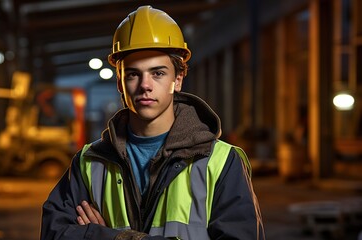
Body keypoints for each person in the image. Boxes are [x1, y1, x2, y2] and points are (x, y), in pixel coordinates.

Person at [41, 5, 265, 240]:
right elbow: (54, 233)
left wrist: (105, 236)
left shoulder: (220, 163)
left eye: (157, 73)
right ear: (119, 83)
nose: (145, 85)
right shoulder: (89, 162)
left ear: (177, 79)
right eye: (133, 74)